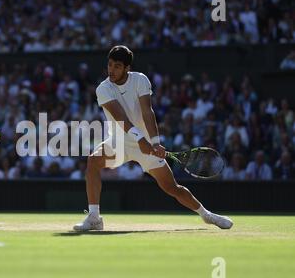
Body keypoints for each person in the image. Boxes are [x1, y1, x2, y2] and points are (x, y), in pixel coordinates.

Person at [73, 45, 233, 231]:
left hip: (147, 142)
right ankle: (94, 218)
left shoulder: (140, 80)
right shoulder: (103, 89)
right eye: (109, 65)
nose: (111, 70)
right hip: (119, 142)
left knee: (172, 188)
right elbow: (121, 119)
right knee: (93, 161)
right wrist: (141, 141)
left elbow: (147, 112)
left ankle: (207, 215)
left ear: (127, 68)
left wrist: (154, 143)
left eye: (117, 66)